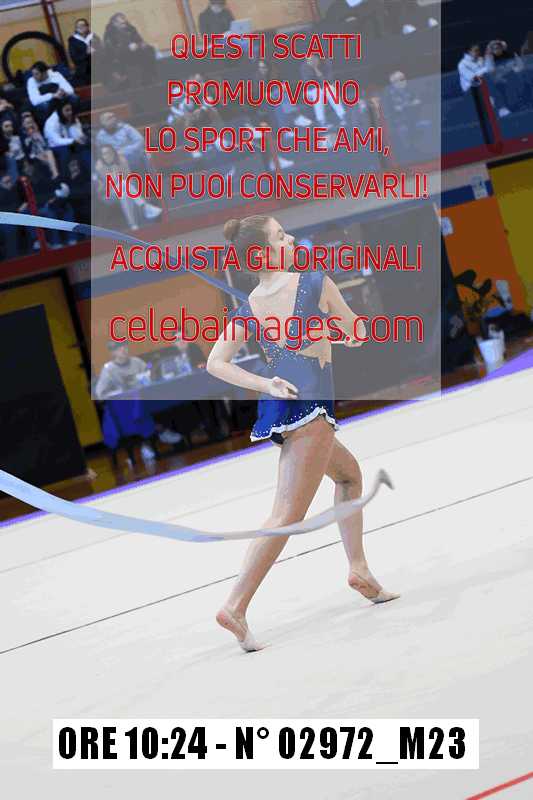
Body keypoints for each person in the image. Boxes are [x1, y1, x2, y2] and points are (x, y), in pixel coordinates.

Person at [206, 215, 399, 651]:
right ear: (264, 253)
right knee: (285, 516)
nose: (290, 238)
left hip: (289, 404)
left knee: (348, 476)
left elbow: (216, 362)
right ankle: (235, 605)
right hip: (310, 408)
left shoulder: (249, 306)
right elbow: (357, 330)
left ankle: (359, 569)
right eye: (281, 236)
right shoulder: (314, 281)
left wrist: (265, 383)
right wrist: (347, 333)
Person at [96, 342, 183, 456]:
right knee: (137, 410)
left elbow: (149, 377)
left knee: (163, 399)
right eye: (119, 348)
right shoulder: (108, 369)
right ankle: (151, 438)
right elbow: (99, 393)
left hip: (144, 397)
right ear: (113, 353)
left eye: (125, 347)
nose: (123, 350)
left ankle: (163, 430)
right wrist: (117, 392)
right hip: (124, 404)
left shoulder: (136, 362)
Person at [93, 144, 162, 230]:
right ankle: (145, 206)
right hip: (109, 193)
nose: (107, 156)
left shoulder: (121, 160)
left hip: (125, 188)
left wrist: (118, 176)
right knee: (123, 185)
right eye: (104, 154)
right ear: (101, 156)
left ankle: (133, 225)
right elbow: (107, 185)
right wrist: (115, 177)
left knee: (124, 194)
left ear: (114, 153)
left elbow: (129, 177)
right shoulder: (99, 166)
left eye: (109, 152)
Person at [103, 13, 157, 90]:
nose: (124, 25)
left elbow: (139, 40)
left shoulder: (131, 29)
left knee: (149, 49)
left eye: (125, 22)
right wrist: (127, 48)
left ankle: (149, 77)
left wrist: (141, 44)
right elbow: (112, 51)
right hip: (120, 56)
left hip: (134, 51)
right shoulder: (109, 34)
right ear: (114, 23)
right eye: (121, 23)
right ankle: (132, 81)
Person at [68, 18, 102, 85]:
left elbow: (102, 51)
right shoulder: (73, 41)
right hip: (84, 70)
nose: (80, 27)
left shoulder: (94, 37)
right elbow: (75, 58)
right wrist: (86, 53)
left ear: (87, 27)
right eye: (78, 26)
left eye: (82, 25)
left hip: (98, 66)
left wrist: (96, 52)